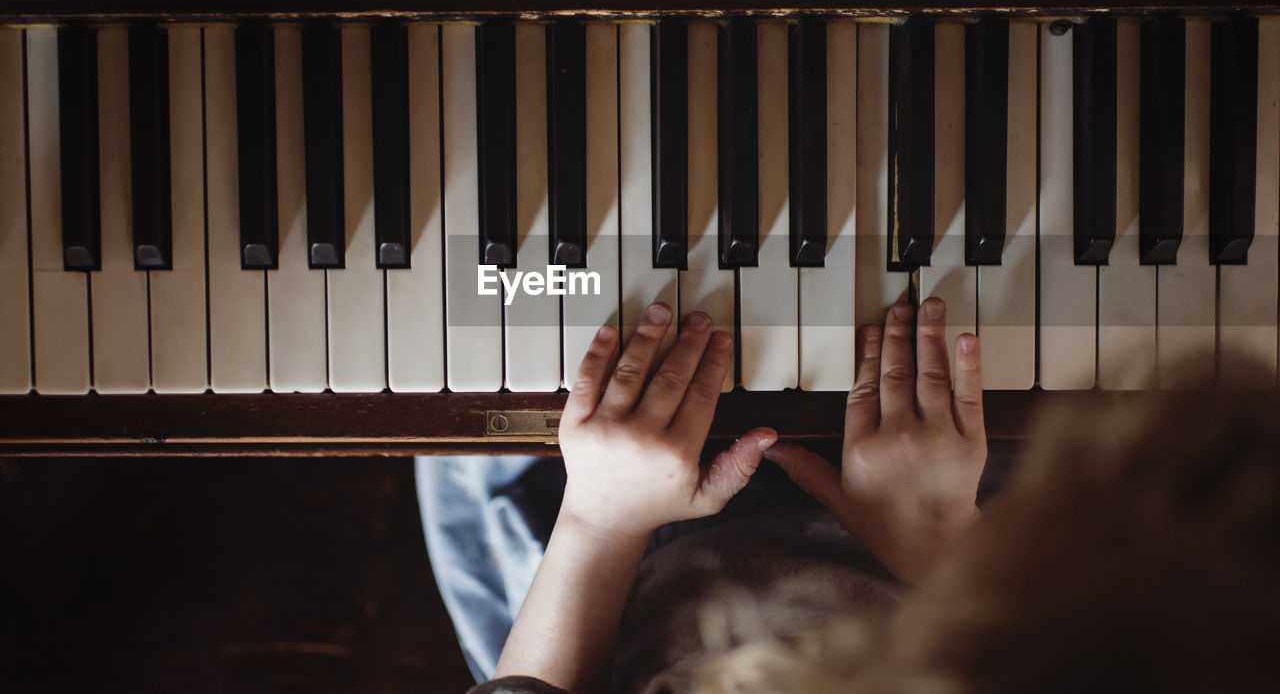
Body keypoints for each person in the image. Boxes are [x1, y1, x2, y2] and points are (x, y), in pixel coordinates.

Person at [418, 299, 1280, 693]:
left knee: (479, 406)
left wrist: (601, 517)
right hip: (955, 551)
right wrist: (943, 539)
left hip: (641, 578)